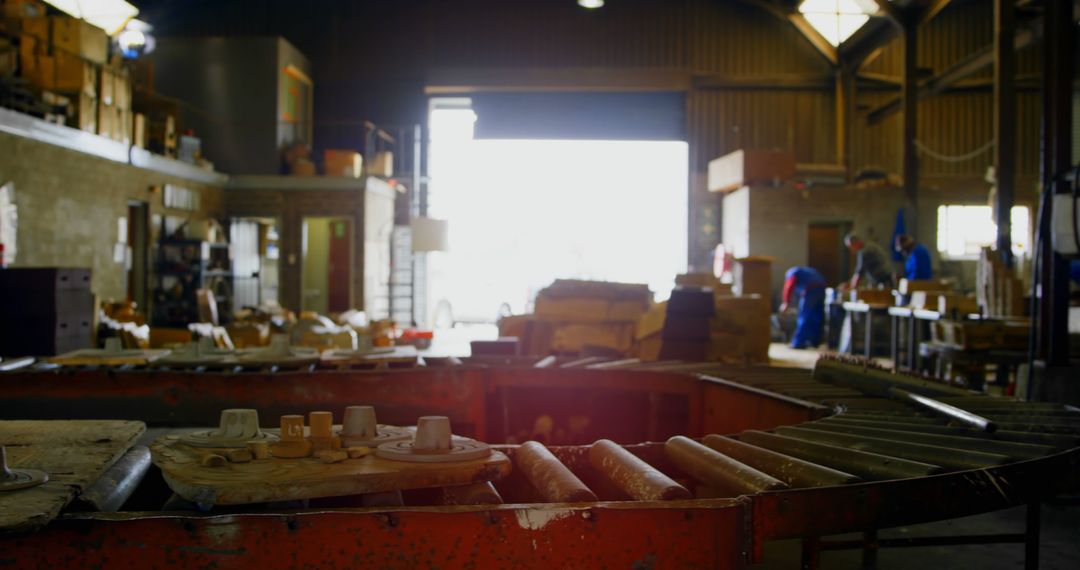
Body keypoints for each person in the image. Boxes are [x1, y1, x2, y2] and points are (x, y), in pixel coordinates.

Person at [780, 266, 826, 349]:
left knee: (804, 316)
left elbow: (789, 286)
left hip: (811, 289)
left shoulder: (792, 273)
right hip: (821, 287)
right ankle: (815, 341)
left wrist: (786, 303)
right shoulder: (805, 272)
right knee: (816, 317)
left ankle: (798, 343)